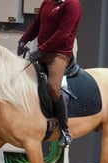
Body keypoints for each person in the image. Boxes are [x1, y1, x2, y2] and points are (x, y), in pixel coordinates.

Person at [17, 0, 82, 147]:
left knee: (53, 87)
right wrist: (23, 40)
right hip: (43, 51)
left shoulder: (72, 5)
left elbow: (63, 34)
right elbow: (36, 24)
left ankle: (65, 131)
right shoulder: (47, 2)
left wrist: (41, 50)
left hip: (59, 54)